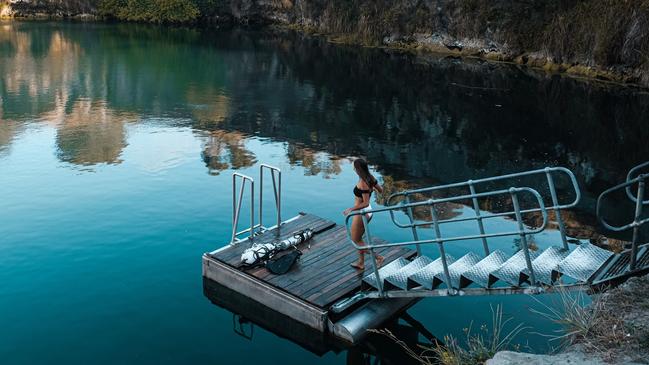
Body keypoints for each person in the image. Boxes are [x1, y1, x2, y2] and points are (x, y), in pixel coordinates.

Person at [343, 158, 384, 270]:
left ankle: (378, 257)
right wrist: (372, 190)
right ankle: (361, 263)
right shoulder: (369, 178)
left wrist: (351, 209)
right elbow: (381, 190)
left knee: (356, 240)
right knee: (359, 239)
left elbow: (365, 203)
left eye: (354, 167)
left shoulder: (363, 183)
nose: (353, 168)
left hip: (362, 212)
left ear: (358, 169)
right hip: (366, 211)